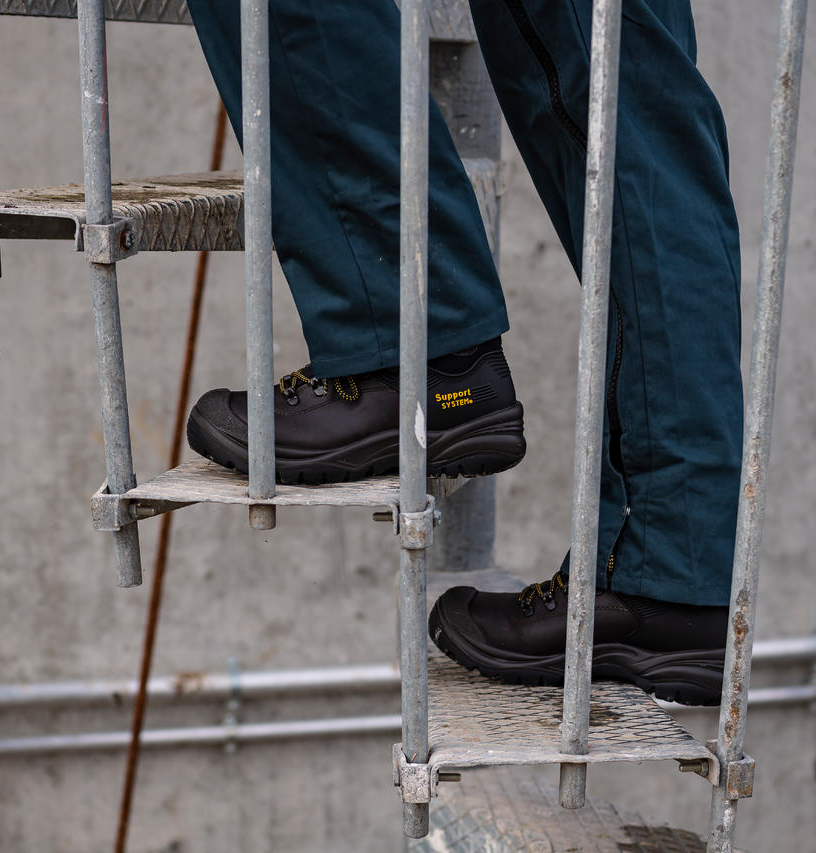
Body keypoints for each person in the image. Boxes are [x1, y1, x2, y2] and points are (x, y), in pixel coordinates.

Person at [182, 0, 742, 706]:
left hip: (418, 344)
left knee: (610, 66)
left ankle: (407, 353)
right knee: (620, 74)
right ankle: (669, 571)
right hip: (669, 556)